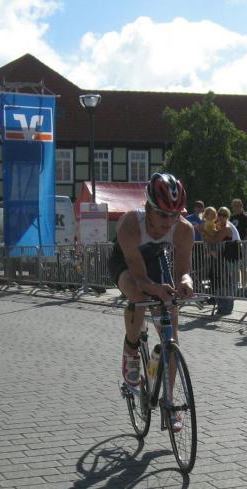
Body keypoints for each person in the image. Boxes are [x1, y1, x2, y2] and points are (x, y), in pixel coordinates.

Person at [107, 172, 194, 433]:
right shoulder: (131, 224)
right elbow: (141, 278)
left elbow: (183, 271)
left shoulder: (184, 229)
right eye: (163, 215)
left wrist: (185, 283)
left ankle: (170, 403)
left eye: (175, 215)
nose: (169, 221)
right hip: (126, 264)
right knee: (139, 295)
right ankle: (131, 350)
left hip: (156, 260)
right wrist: (158, 290)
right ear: (149, 207)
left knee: (171, 335)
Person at [204, 206, 240, 316]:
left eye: (224, 215)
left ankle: (226, 307)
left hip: (228, 259)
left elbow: (214, 240)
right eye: (219, 214)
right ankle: (221, 306)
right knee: (219, 282)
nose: (221, 217)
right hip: (221, 259)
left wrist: (203, 232)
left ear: (227, 216)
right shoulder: (220, 226)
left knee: (226, 283)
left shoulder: (226, 227)